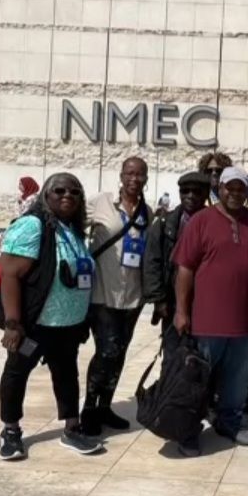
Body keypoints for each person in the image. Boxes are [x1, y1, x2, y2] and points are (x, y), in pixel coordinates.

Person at [0, 173, 102, 460]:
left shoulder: (72, 228)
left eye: (74, 192)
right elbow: (10, 275)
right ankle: (10, 430)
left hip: (66, 325)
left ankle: (72, 428)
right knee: (17, 373)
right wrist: (13, 324)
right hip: (34, 324)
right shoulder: (33, 225)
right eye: (59, 191)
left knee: (67, 375)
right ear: (46, 194)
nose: (67, 196)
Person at [172, 166, 248, 455]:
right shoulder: (201, 221)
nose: (234, 192)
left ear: (246, 192)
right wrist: (182, 310)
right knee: (198, 380)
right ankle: (189, 430)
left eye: (240, 188)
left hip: (245, 321)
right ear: (220, 188)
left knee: (237, 378)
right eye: (229, 187)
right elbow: (185, 269)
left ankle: (229, 421)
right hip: (207, 320)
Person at [80, 157, 151, 435]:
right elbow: (73, 222)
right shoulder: (101, 203)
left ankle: (105, 406)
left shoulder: (149, 211)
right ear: (121, 175)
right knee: (105, 352)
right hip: (103, 294)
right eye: (130, 173)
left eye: (140, 174)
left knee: (120, 354)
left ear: (146, 178)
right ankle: (89, 409)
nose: (135, 178)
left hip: (133, 297)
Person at [143, 170, 210, 346]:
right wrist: (159, 300)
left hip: (205, 302)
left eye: (197, 192)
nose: (190, 196)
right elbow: (152, 262)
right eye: (185, 191)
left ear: (206, 194)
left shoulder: (214, 223)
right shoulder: (166, 224)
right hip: (172, 302)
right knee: (173, 359)